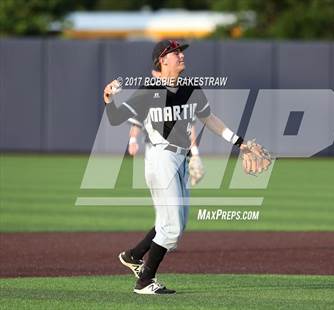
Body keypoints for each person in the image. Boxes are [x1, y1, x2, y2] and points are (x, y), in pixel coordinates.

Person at [103, 39, 256, 295]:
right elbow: (117, 117)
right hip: (160, 158)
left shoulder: (190, 88)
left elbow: (209, 118)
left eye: (180, 52)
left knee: (175, 223)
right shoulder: (148, 90)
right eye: (175, 53)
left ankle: (133, 255)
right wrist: (108, 98)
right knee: (171, 227)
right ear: (162, 61)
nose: (181, 56)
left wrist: (238, 142)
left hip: (181, 159)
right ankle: (144, 281)